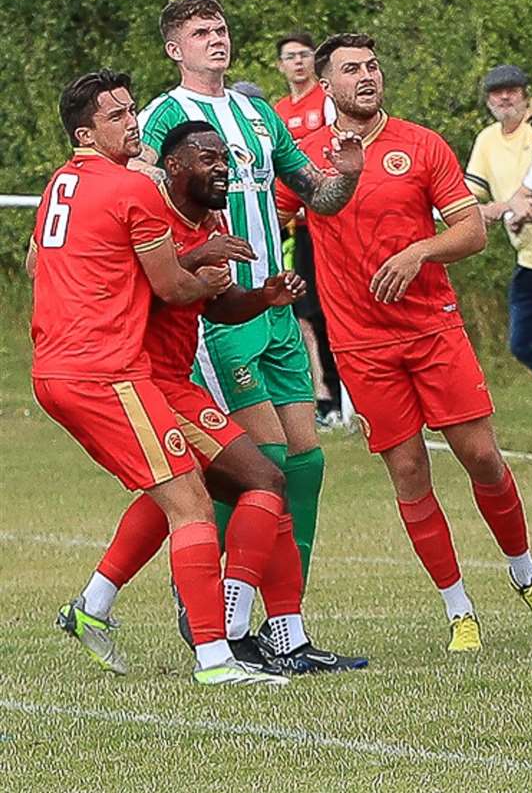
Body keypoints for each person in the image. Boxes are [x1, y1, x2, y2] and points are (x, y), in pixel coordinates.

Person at [277, 33, 532, 651]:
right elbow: (269, 215)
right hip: (360, 344)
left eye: (372, 66)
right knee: (409, 470)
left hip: (432, 327)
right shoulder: (304, 157)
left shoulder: (421, 144)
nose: (366, 76)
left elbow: (471, 232)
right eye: (351, 69)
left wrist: (419, 250)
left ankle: (526, 573)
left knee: (481, 456)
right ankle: (458, 608)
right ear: (325, 85)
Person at [58, 121, 365, 675]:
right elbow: (155, 290)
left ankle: (96, 605)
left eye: (225, 158)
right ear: (173, 167)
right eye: (209, 157)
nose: (223, 167)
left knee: (197, 489)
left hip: (174, 379)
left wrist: (264, 296)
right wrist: (201, 256)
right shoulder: (149, 212)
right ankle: (227, 631)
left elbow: (212, 304)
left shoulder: (211, 221)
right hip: (146, 380)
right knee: (258, 479)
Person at [30, 70, 283, 687]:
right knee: (192, 501)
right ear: (85, 131)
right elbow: (171, 288)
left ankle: (93, 607)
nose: (132, 122)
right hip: (108, 370)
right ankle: (217, 656)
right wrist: (212, 283)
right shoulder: (132, 190)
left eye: (131, 109)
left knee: (181, 487)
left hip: (61, 368)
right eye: (116, 116)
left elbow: (41, 264)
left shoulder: (62, 183)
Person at [137, 0, 364, 589]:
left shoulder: (255, 113)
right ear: (174, 49)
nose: (217, 39)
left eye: (222, 29)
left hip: (276, 306)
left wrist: (348, 173)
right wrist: (183, 262)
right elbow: (138, 198)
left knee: (308, 461)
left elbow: (316, 194)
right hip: (219, 313)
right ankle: (212, 603)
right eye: (201, 32)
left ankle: (285, 606)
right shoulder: (163, 117)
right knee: (257, 467)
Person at [463, 64, 532, 438]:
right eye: (496, 92)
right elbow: (471, 196)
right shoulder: (488, 140)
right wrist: (499, 208)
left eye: (512, 90)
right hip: (528, 256)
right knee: (524, 342)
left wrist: (516, 206)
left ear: (525, 93)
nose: (505, 98)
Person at [271, 30, 342, 428]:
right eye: (290, 56)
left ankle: (342, 393)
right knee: (303, 312)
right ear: (281, 66)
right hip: (292, 223)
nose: (298, 62)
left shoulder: (326, 102)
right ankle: (321, 393)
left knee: (330, 309)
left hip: (325, 220)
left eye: (304, 54)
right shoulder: (279, 110)